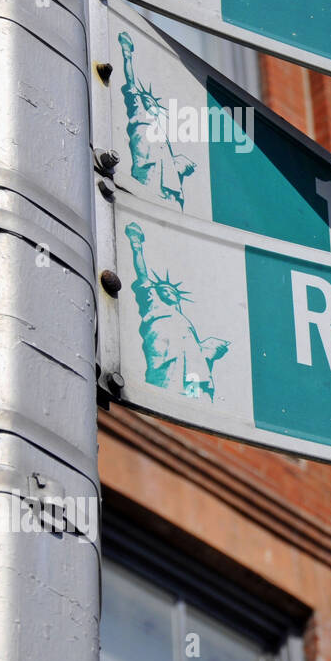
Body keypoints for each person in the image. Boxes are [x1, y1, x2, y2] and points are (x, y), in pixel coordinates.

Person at [125, 222, 228, 400]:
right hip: (163, 352)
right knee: (162, 389)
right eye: (163, 290)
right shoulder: (153, 304)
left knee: (193, 398)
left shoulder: (185, 321)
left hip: (192, 366)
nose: (168, 292)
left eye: (172, 291)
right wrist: (137, 247)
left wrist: (209, 349)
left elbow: (201, 355)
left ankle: (193, 404)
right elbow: (142, 276)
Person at [117, 31, 196, 206]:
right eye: (147, 100)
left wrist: (179, 166)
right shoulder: (138, 112)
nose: (151, 103)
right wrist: (127, 54)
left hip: (166, 189)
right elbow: (131, 83)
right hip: (146, 175)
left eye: (153, 102)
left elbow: (173, 168)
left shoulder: (162, 136)